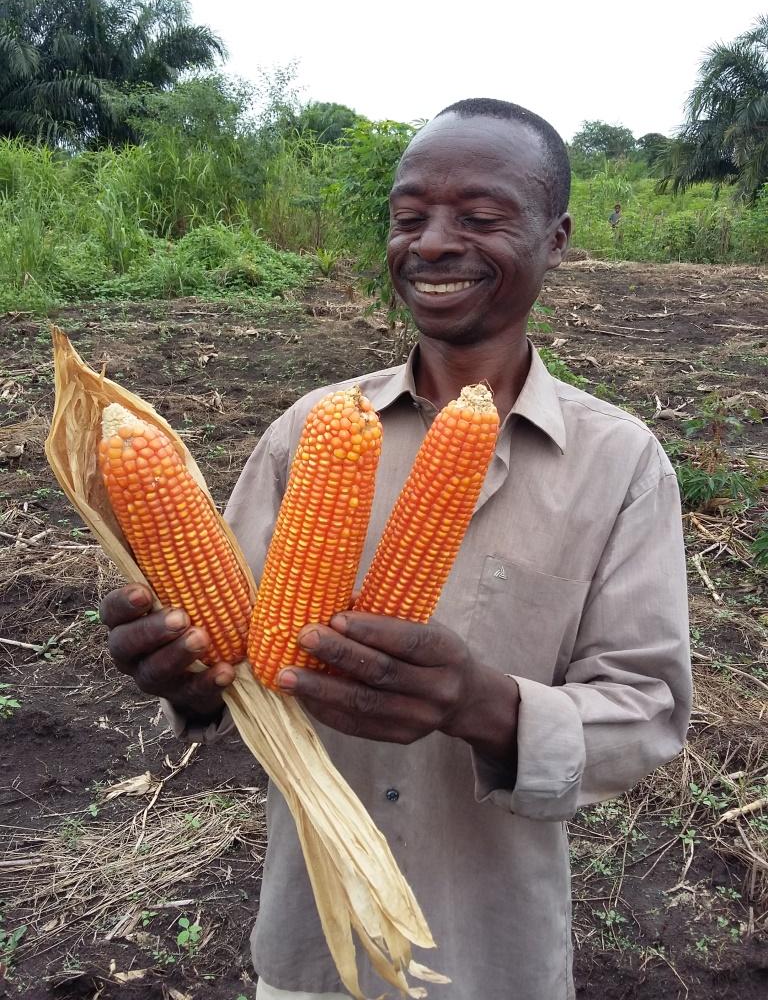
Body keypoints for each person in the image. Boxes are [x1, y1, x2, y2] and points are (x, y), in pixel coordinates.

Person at [100, 99, 691, 1000]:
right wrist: (187, 674)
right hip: (313, 944)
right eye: (408, 218)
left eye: (481, 218)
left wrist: (480, 702)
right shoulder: (310, 431)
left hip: (497, 952)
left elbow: (647, 709)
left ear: (558, 238)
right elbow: (237, 657)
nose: (434, 243)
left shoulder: (620, 463)